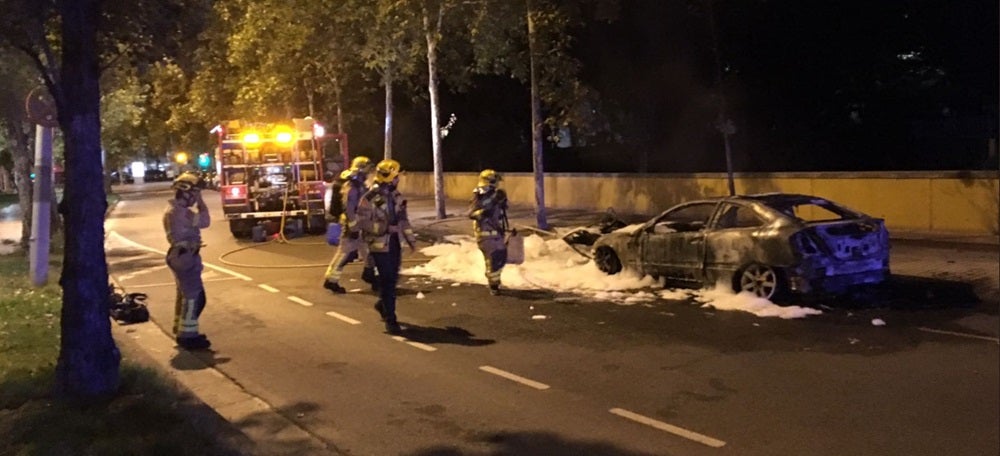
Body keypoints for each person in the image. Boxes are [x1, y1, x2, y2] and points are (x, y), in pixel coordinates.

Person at [357, 159, 417, 334]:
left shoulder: (396, 196)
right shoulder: (368, 198)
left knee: (392, 279)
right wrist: (384, 228)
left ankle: (382, 304)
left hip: (394, 243)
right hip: (378, 246)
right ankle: (391, 319)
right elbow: (363, 222)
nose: (399, 179)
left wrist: (411, 239)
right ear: (390, 177)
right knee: (388, 281)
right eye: (396, 176)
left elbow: (403, 219)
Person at [164, 171, 212, 350]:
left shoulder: (174, 210)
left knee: (185, 296)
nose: (195, 197)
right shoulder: (180, 213)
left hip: (180, 255)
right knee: (195, 298)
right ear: (185, 192)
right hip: (185, 257)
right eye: (194, 193)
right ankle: (188, 336)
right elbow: (205, 221)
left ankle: (181, 329)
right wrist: (201, 202)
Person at [322, 156, 378, 293]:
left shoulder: (358, 184)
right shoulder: (352, 186)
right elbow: (350, 208)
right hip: (354, 227)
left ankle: (371, 276)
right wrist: (353, 227)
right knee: (344, 254)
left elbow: (363, 202)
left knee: (370, 252)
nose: (368, 172)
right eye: (367, 169)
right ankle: (331, 280)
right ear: (360, 169)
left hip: (361, 226)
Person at [468, 169, 509, 295]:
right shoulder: (479, 194)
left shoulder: (495, 193)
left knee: (501, 257)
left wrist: (502, 201)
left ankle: (495, 282)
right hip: (485, 234)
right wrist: (488, 208)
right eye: (494, 181)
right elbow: (472, 213)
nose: (497, 183)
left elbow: (501, 212)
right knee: (493, 259)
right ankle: (493, 286)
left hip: (497, 232)